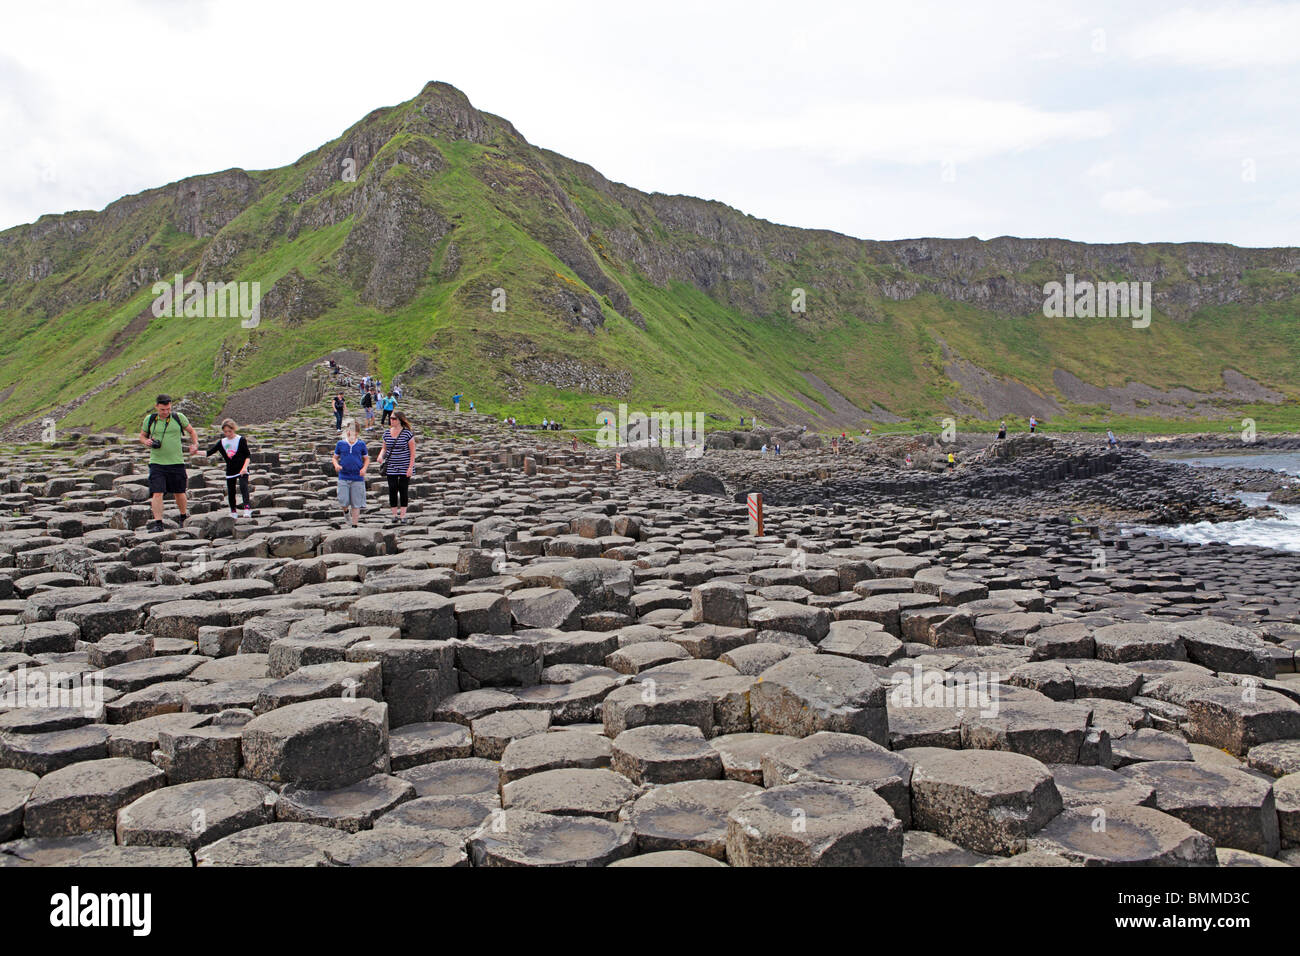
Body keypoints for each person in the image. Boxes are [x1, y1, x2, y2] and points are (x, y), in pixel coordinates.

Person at [138, 394, 198, 533]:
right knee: (157, 493)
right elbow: (142, 435)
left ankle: (183, 517)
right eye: (162, 409)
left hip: (176, 461)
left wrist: (195, 444)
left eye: (168, 409)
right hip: (157, 462)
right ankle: (158, 523)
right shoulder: (150, 419)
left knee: (179, 492)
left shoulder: (179, 417)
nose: (165, 412)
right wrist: (145, 441)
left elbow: (192, 431)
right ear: (156, 407)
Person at [376, 410, 416, 526]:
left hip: (404, 466)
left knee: (403, 489)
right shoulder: (387, 433)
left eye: (394, 419)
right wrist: (380, 456)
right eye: (391, 418)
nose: (391, 420)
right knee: (392, 489)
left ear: (400, 420)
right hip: (391, 466)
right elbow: (384, 448)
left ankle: (403, 515)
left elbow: (413, 453)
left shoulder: (407, 434)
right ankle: (394, 515)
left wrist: (410, 467)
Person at [206, 418, 252, 518]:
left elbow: (248, 456)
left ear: (234, 429)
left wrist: (244, 468)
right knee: (231, 491)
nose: (227, 433)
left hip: (242, 468)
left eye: (229, 431)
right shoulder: (222, 442)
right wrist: (195, 451)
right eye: (225, 431)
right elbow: (209, 452)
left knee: (244, 487)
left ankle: (247, 508)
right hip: (231, 469)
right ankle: (233, 511)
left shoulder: (241, 439)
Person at [332, 418, 368, 527]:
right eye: (348, 430)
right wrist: (336, 465)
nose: (349, 432)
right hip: (343, 476)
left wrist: (364, 468)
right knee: (343, 500)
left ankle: (354, 525)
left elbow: (366, 458)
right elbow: (334, 458)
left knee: (356, 503)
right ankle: (346, 512)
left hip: (357, 477)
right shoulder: (340, 444)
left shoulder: (361, 444)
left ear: (357, 432)